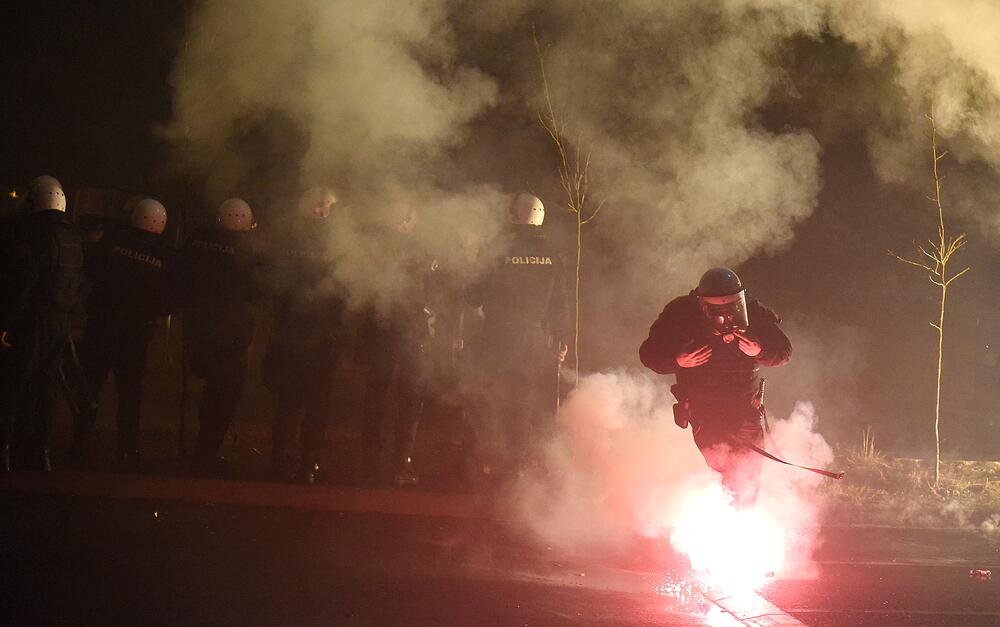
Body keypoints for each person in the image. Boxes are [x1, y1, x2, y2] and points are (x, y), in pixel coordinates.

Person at [639, 267, 791, 508]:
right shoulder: (681, 313)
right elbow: (649, 353)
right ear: (702, 304)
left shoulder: (754, 311)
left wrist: (760, 350)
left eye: (732, 306)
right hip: (703, 414)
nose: (726, 317)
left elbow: (783, 351)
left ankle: (743, 522)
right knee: (714, 477)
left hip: (745, 411)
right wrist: (677, 360)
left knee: (748, 475)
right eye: (718, 310)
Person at [465, 192, 569, 482]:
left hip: (497, 337)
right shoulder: (554, 256)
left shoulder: (496, 250)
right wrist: (561, 341)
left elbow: (472, 296)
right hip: (533, 340)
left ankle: (483, 465)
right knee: (523, 404)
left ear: (513, 215)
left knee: (488, 399)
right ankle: (517, 469)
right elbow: (560, 305)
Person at [72, 198, 175, 470]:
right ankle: (127, 450)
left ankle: (79, 446)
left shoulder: (112, 242)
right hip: (135, 337)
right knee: (130, 395)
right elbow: (168, 302)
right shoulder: (164, 257)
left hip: (101, 330)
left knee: (90, 388)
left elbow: (89, 268)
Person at [0, 176, 85, 471]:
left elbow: (24, 284)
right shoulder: (73, 238)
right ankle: (41, 453)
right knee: (47, 389)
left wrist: (6, 323)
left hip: (33, 321)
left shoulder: (33, 237)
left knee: (12, 384)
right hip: (61, 324)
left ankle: (4, 452)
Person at [262, 187, 345, 484]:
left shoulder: (289, 239)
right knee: (310, 402)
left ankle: (285, 461)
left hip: (299, 335)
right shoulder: (335, 245)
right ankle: (304, 461)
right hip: (314, 336)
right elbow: (342, 292)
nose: (322, 210)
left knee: (293, 401)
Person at [181, 198, 261, 476]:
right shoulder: (248, 251)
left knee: (212, 392)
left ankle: (202, 451)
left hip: (199, 332)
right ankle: (207, 452)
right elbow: (258, 292)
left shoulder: (198, 241)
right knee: (225, 395)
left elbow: (182, 278)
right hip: (231, 337)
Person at [357, 206, 434, 488]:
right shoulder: (421, 252)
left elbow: (363, 295)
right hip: (409, 336)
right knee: (409, 401)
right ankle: (401, 462)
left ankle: (370, 460)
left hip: (382, 332)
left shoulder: (374, 249)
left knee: (377, 397)